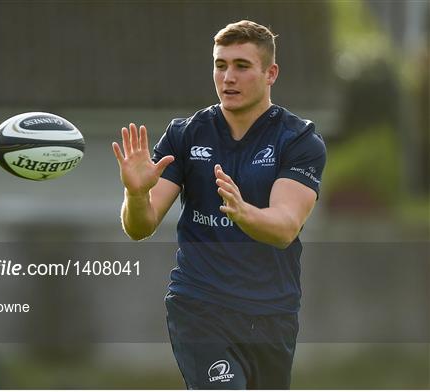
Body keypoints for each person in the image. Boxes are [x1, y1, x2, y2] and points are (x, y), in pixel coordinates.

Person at [112, 20, 326, 389]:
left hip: (271, 314)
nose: (228, 76)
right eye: (220, 64)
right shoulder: (185, 135)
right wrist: (134, 194)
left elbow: (285, 227)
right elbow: (140, 226)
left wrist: (245, 215)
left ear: (270, 72)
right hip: (200, 307)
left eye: (241, 66)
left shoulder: (298, 141)